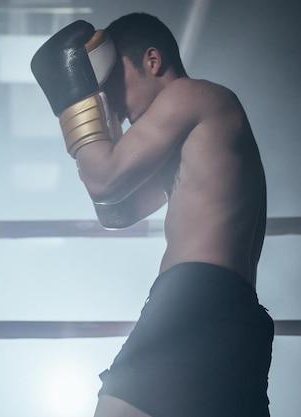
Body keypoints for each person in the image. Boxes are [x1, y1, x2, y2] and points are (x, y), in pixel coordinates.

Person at [31, 12, 273, 417]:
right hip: (236, 314)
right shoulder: (200, 128)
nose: (116, 103)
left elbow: (103, 180)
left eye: (113, 85)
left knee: (117, 410)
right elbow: (118, 212)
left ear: (153, 61)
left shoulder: (188, 94)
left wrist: (74, 100)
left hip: (196, 297)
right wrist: (104, 123)